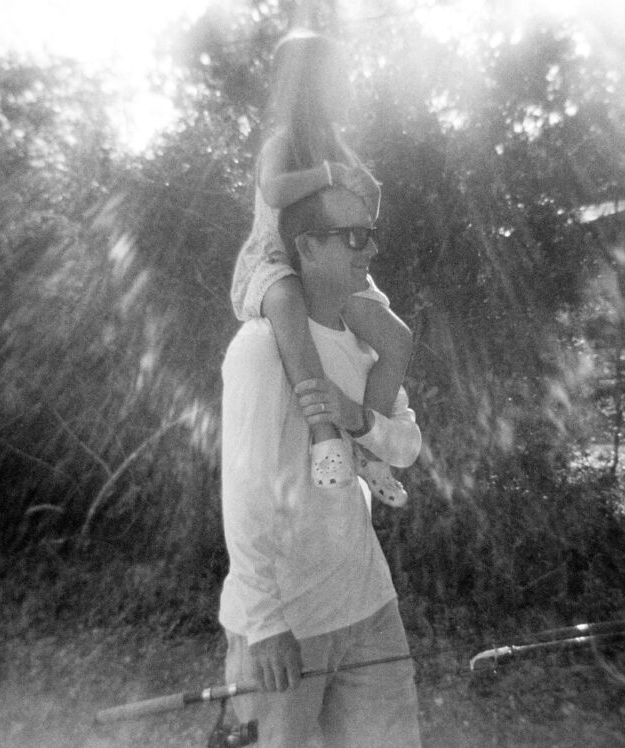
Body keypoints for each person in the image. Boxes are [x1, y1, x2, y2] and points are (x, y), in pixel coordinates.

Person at [219, 184, 423, 747]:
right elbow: (243, 488)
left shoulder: (364, 347)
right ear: (306, 246)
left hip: (371, 610)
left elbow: (405, 448)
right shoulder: (261, 349)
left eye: (372, 235)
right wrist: (263, 624)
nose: (371, 249)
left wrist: (359, 419)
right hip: (288, 625)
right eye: (353, 237)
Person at [230, 29, 412, 506]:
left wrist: (366, 187)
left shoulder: (338, 143)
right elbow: (273, 191)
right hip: (277, 259)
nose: (345, 87)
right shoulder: (282, 142)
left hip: (329, 262)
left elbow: (364, 208)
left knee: (396, 338)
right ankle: (326, 438)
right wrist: (331, 174)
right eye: (337, 78)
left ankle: (368, 450)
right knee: (288, 307)